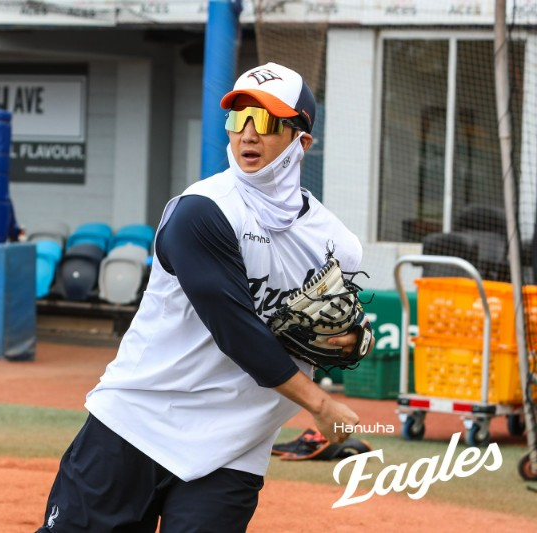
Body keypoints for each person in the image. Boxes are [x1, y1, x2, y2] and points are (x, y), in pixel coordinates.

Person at [36, 62, 374, 532]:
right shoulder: (202, 212)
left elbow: (336, 328)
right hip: (139, 421)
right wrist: (320, 404)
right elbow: (233, 328)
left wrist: (354, 340)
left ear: (302, 141)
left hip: (235, 446)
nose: (249, 135)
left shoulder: (337, 243)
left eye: (269, 121)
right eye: (239, 118)